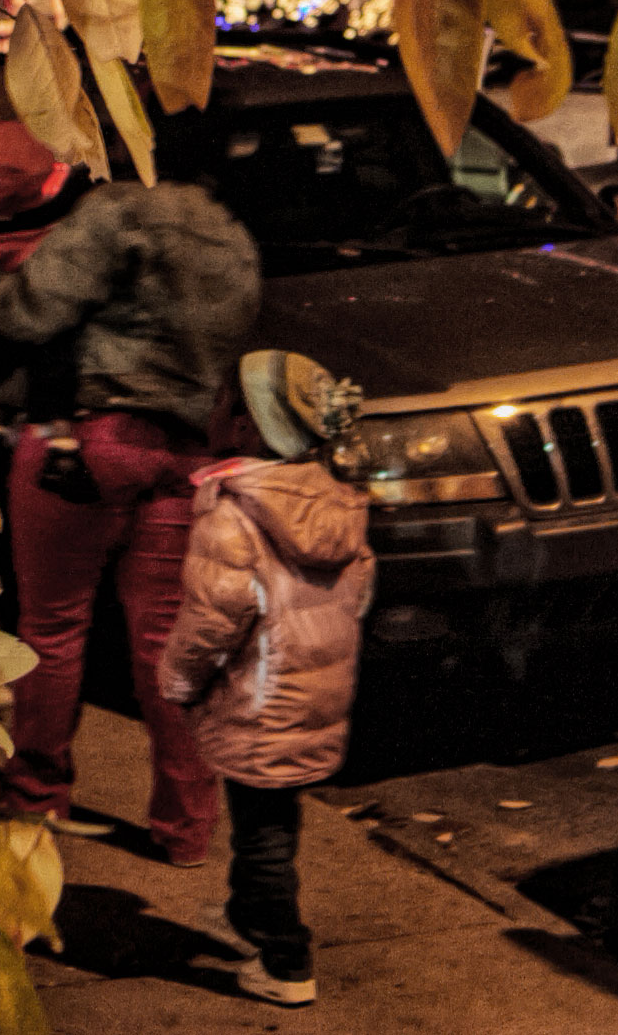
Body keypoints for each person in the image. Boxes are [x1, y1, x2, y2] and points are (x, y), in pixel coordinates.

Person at [0, 173, 261, 865]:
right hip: (185, 451)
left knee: (51, 628)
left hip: (87, 442)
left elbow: (27, 312)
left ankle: (36, 801)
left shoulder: (114, 209)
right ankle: (186, 826)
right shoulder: (228, 229)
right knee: (170, 641)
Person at [157, 352, 377, 1009]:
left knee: (264, 833)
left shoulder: (233, 512)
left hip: (259, 696)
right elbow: (360, 591)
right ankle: (242, 914)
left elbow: (212, 618)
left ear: (251, 429)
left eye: (228, 398)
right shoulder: (338, 498)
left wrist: (178, 679)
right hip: (315, 694)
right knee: (270, 818)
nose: (214, 406)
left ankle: (285, 956)